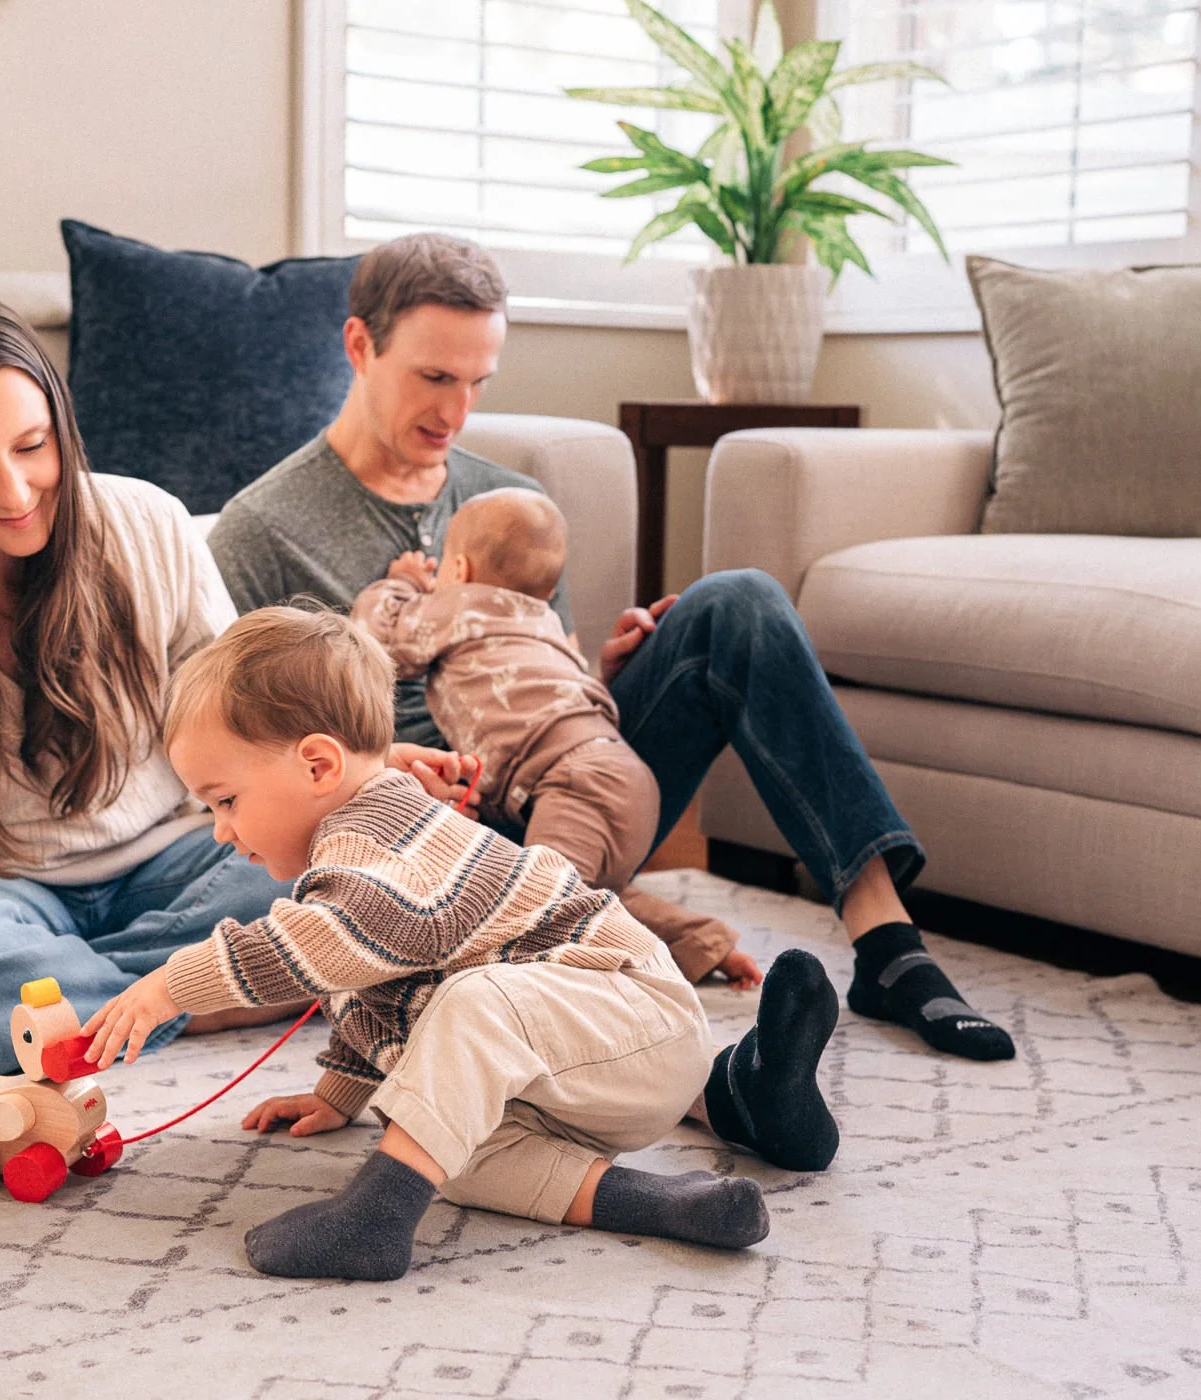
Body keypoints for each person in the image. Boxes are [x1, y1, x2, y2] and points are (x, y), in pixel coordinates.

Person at [207, 233, 1015, 1063]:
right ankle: (602, 979)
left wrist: (601, 678)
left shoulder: (505, 501)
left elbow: (522, 677)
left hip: (566, 786)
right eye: (436, 378)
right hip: (419, 841)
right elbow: (247, 751)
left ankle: (885, 943)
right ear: (359, 345)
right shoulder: (261, 530)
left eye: (478, 382)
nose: (455, 413)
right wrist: (388, 766)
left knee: (739, 602)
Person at [0, 288, 480, 1123]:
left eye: (33, 447)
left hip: (177, 858)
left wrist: (354, 772)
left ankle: (95, 1008)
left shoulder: (147, 523)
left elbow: (246, 710)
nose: (15, 491)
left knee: (352, 880)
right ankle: (221, 988)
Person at [81, 608, 844, 1282]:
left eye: (226, 802)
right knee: (452, 1142)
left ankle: (375, 1222)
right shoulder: (349, 867)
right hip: (576, 1065)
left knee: (475, 1006)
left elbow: (354, 941)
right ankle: (697, 1172)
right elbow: (383, 997)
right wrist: (340, 1093)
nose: (222, 830)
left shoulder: (380, 835)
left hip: (629, 1008)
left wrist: (174, 984)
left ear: (317, 765)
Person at [351, 487, 759, 989]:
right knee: (569, 892)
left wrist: (400, 584)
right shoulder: (543, 623)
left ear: (457, 571)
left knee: (537, 907)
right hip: (617, 772)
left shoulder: (461, 608)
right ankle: (703, 944)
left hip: (574, 780)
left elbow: (379, 638)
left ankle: (575, 995)